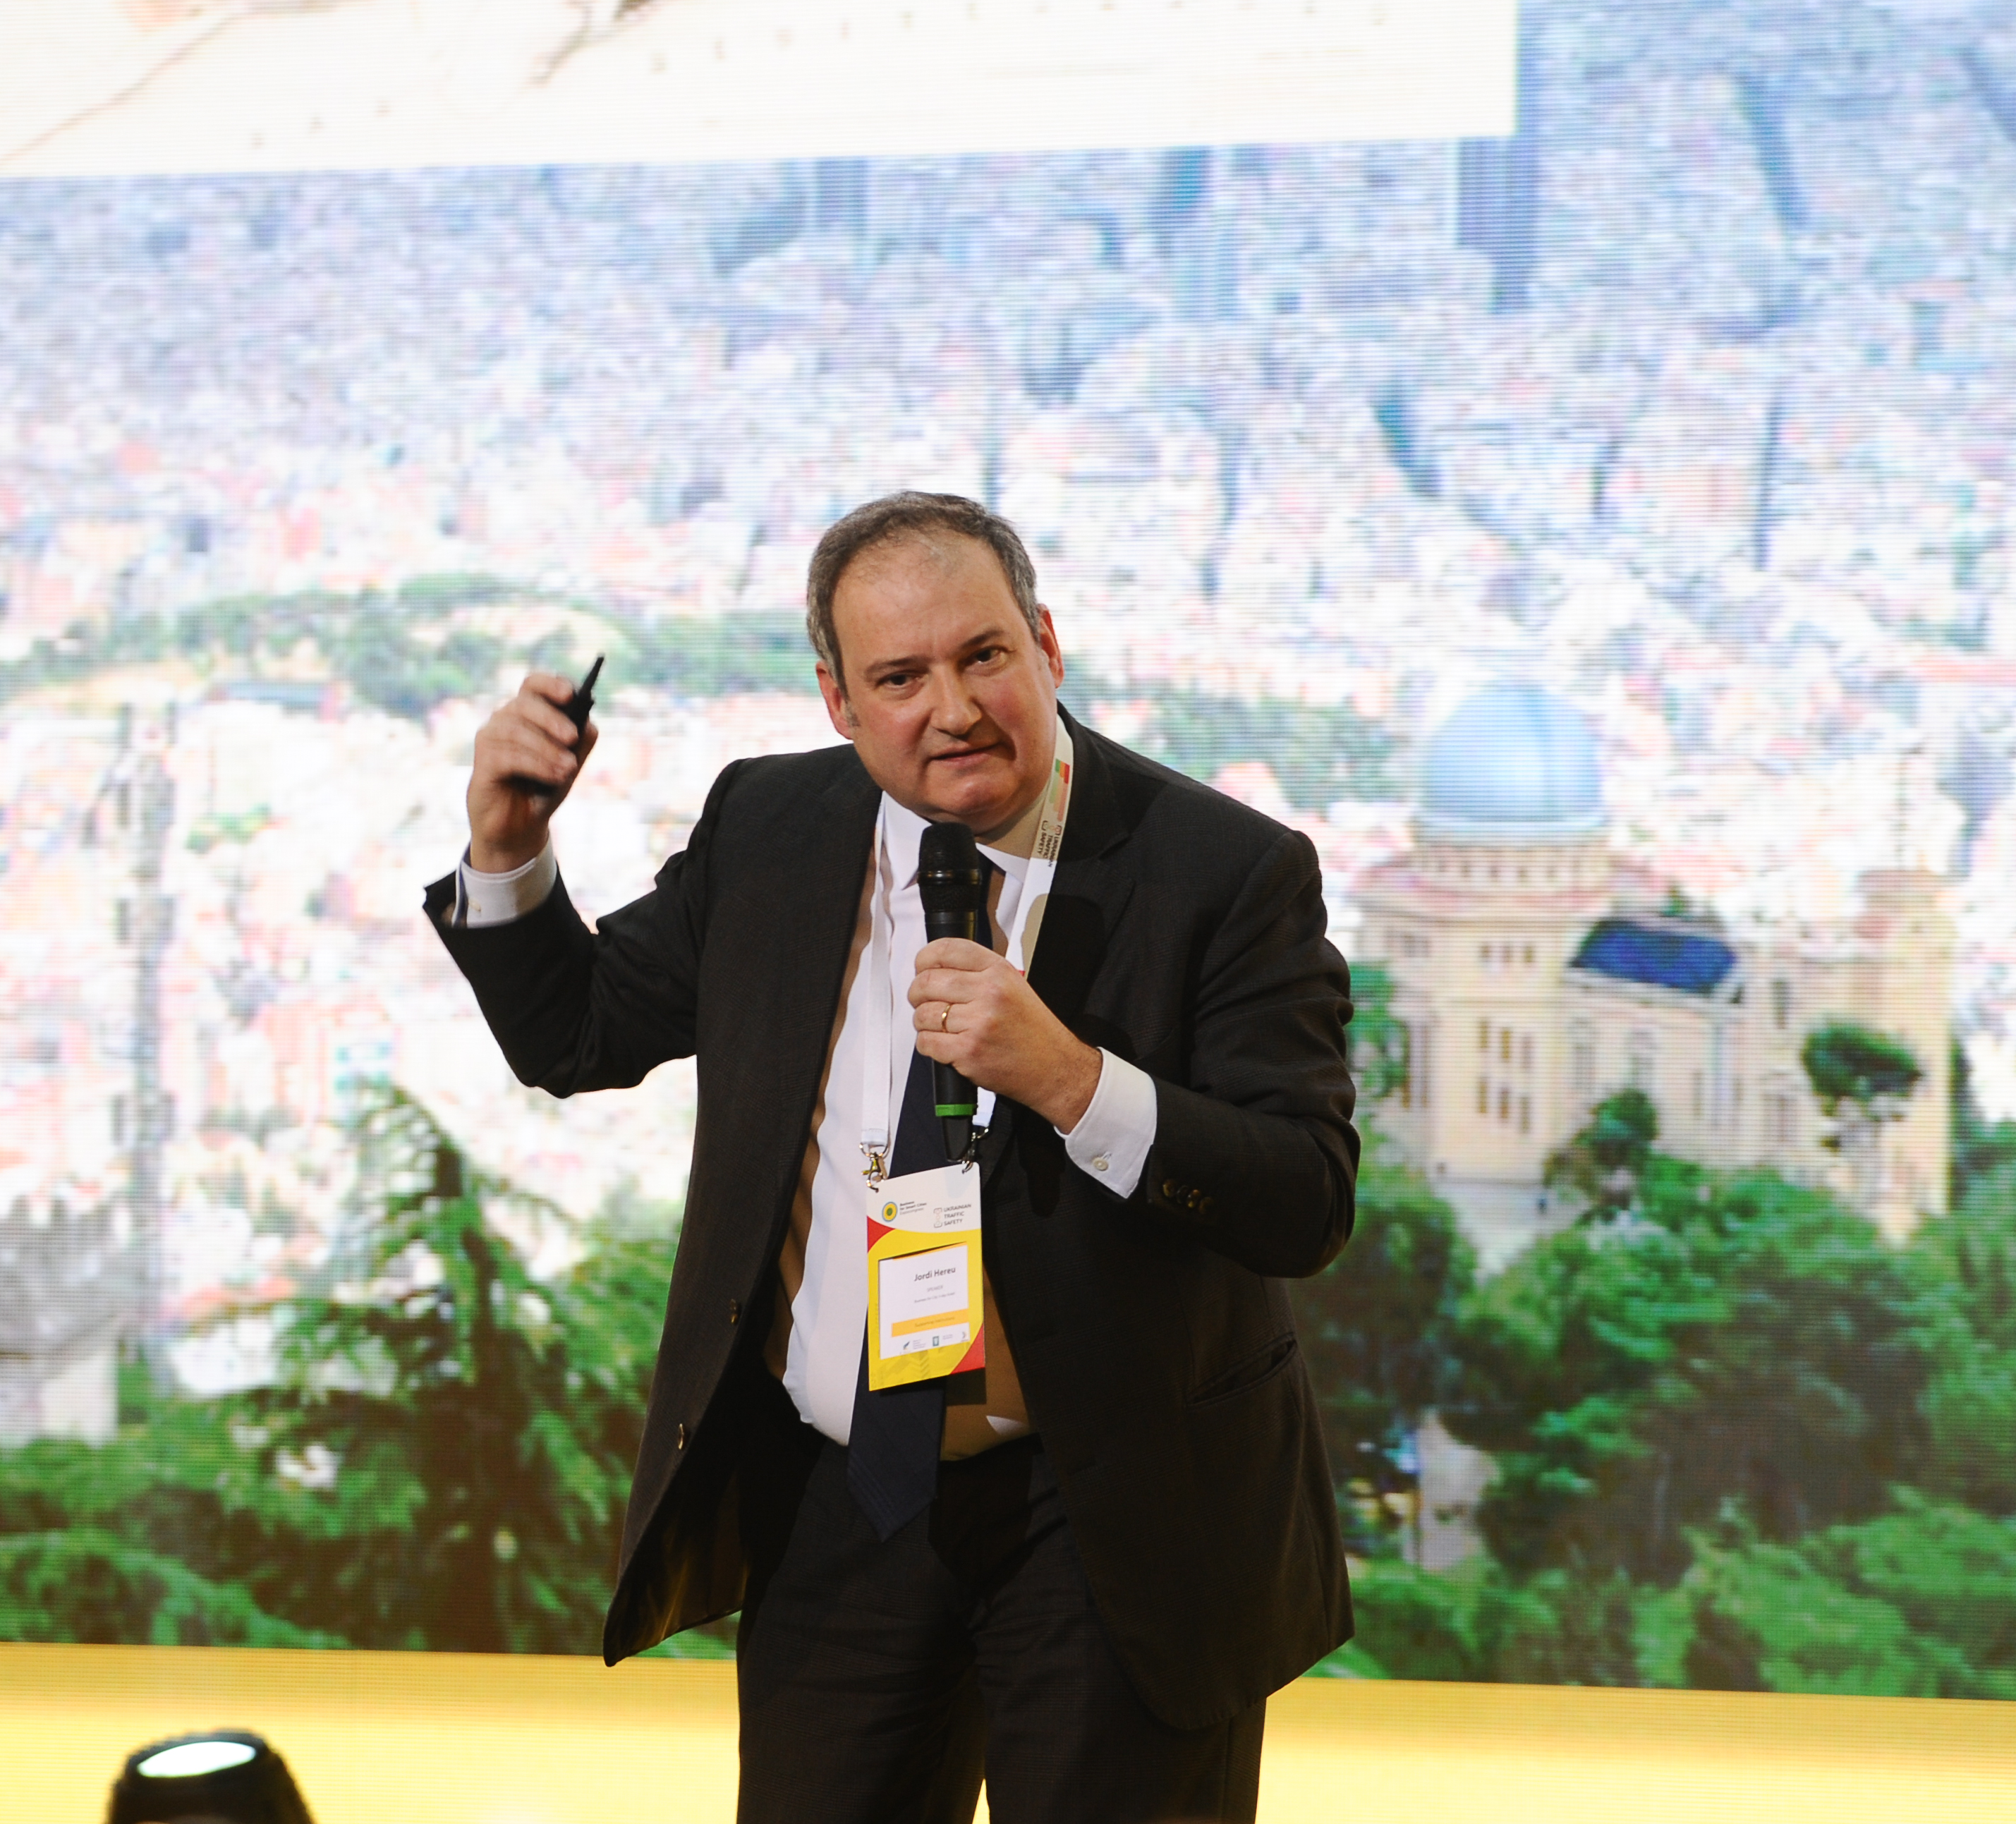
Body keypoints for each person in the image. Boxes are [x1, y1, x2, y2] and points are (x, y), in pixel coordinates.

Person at [427, 492, 1356, 1823]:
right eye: (901, 677)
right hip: (841, 1492)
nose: (953, 708)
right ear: (839, 701)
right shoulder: (769, 826)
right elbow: (575, 1030)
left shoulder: (1223, 869)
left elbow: (1305, 1196)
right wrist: (509, 852)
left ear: (1047, 644)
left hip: (1113, 1508)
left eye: (984, 656)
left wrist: (1072, 1077)